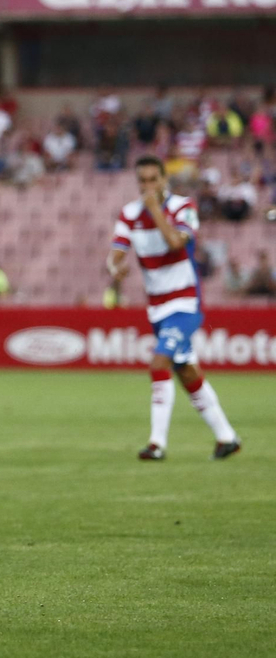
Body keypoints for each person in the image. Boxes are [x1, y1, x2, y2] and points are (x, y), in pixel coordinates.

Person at [108, 155, 242, 461]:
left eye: (153, 179)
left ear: (164, 180)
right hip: (156, 306)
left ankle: (157, 444)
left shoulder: (184, 207)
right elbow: (115, 253)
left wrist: (155, 210)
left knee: (160, 363)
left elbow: (176, 243)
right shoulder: (129, 213)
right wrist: (114, 269)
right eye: (142, 181)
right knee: (185, 370)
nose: (147, 186)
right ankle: (227, 437)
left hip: (184, 302)